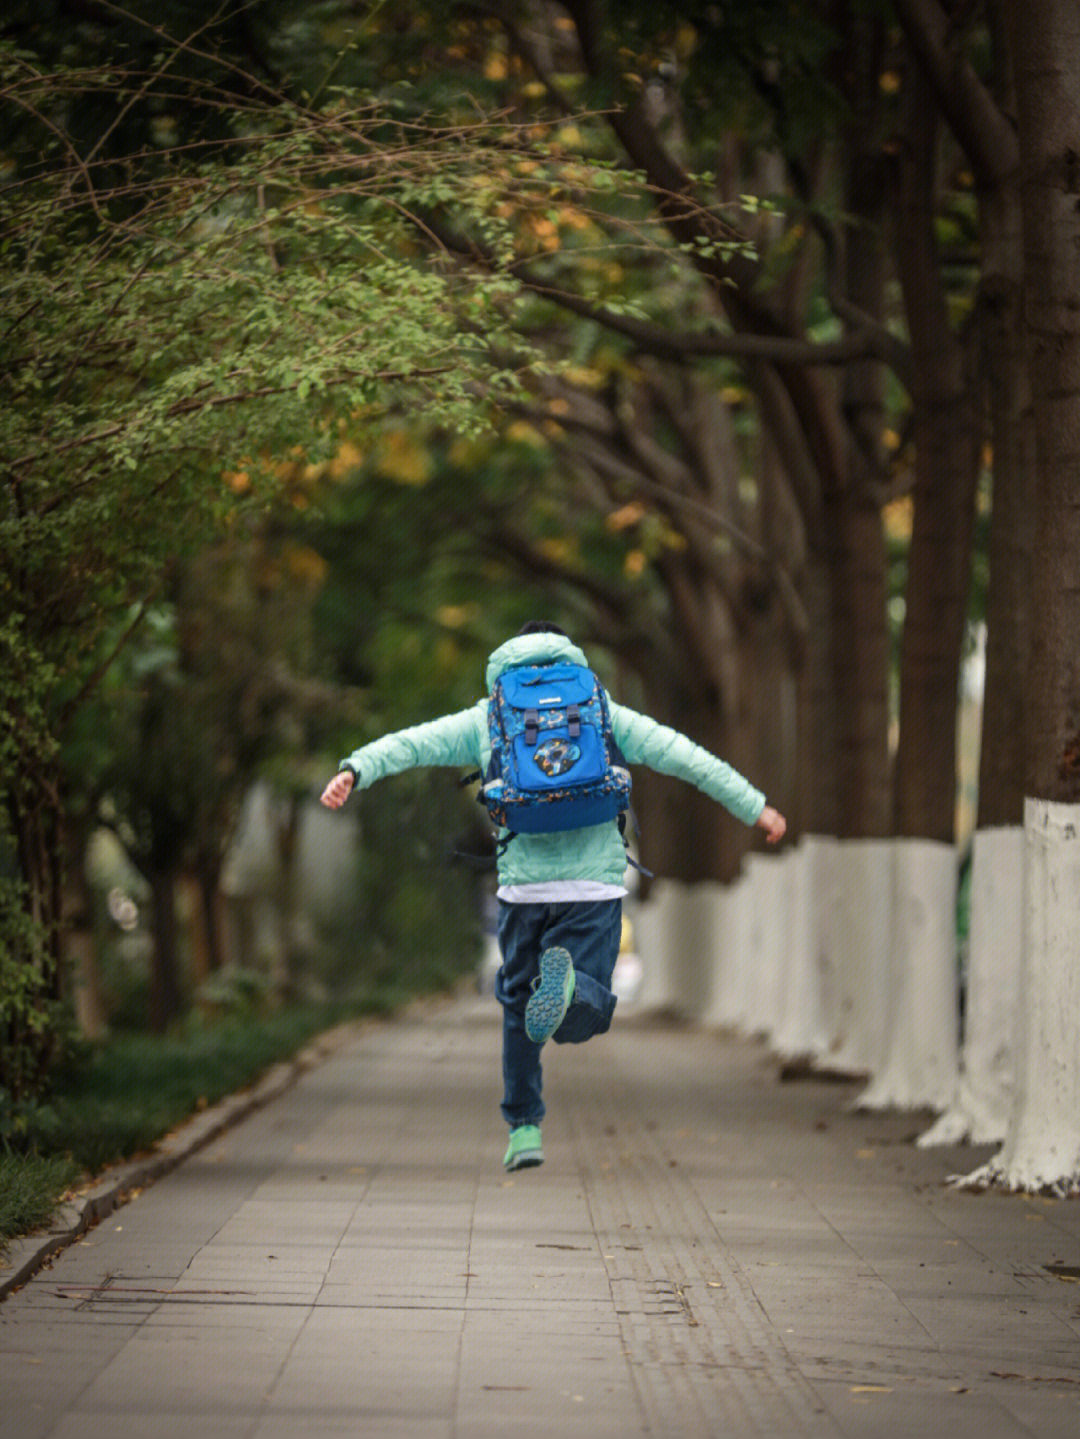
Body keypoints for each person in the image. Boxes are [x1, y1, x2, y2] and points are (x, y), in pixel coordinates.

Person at [320, 622, 786, 1173]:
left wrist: (356, 767)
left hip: (523, 887)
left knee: (518, 1007)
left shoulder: (490, 714)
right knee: (586, 1008)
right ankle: (569, 989)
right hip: (594, 885)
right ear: (569, 655)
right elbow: (684, 755)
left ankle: (523, 1129)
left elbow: (414, 742)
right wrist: (755, 806)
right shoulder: (601, 709)